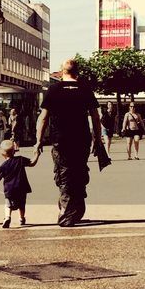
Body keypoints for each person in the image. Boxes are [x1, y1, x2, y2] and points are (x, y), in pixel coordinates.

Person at [34, 58, 101, 227]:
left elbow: (43, 118)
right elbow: (95, 116)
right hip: (82, 140)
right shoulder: (85, 89)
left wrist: (38, 141)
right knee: (79, 172)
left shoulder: (54, 89)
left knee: (64, 175)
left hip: (61, 140)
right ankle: (76, 210)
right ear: (77, 72)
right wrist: (97, 139)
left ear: (62, 71)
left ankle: (67, 214)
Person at [0, 139, 38, 228]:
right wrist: (37, 154)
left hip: (10, 189)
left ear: (2, 154)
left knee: (8, 205)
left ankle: (7, 217)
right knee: (22, 204)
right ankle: (21, 218)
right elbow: (32, 163)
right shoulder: (20, 159)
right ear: (14, 151)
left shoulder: (3, 166)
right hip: (22, 187)